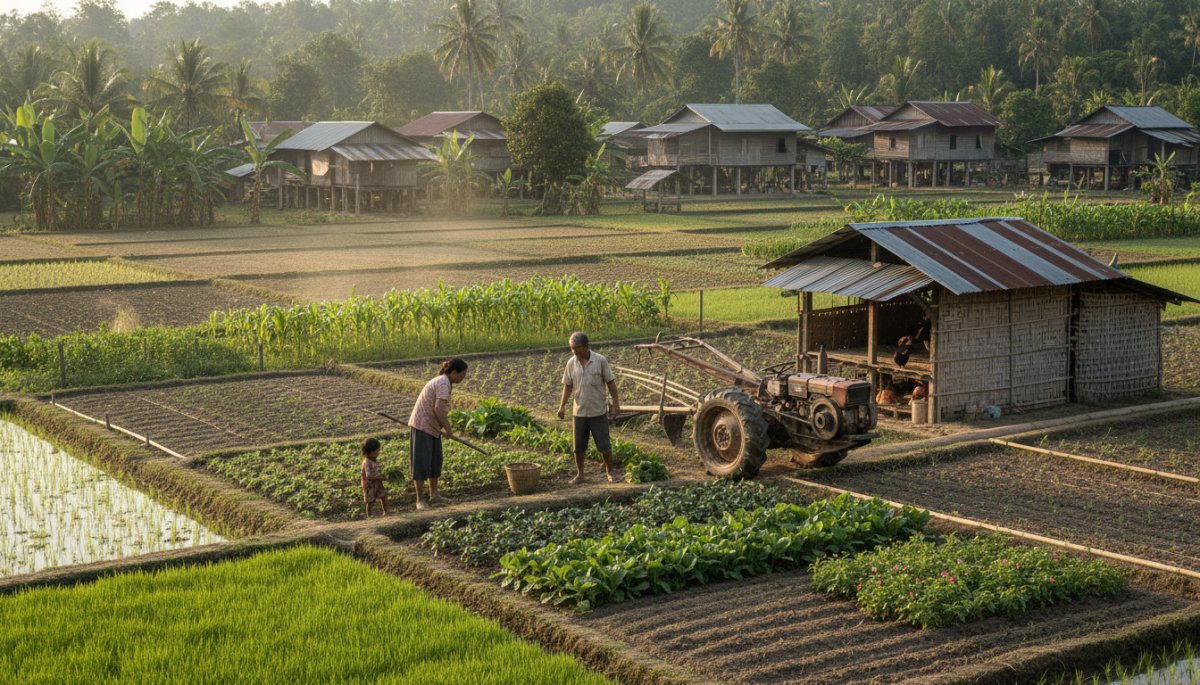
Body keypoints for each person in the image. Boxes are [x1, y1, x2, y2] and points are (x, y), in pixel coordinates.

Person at [556, 331, 620, 484]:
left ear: (585, 346)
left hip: (597, 410)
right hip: (579, 411)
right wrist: (562, 406)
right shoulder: (571, 363)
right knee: (578, 446)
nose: (573, 351)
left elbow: (611, 383)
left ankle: (609, 472)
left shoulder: (600, 361)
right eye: (571, 348)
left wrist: (616, 404)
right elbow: (568, 386)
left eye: (576, 348)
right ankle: (580, 474)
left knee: (604, 444)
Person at [408, 358, 468, 510]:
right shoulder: (442, 383)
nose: (463, 378)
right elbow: (439, 410)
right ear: (454, 372)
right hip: (423, 426)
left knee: (435, 461)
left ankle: (434, 495)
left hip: (432, 427)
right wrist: (448, 430)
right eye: (462, 374)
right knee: (421, 464)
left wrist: (444, 428)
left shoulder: (445, 382)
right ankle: (419, 500)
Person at [360, 437, 389, 518]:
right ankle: (370, 515)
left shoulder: (375, 460)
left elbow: (378, 471)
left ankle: (386, 512)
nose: (378, 452)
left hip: (377, 483)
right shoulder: (366, 462)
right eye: (377, 451)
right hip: (369, 485)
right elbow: (369, 476)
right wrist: (381, 478)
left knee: (383, 496)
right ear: (369, 452)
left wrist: (384, 475)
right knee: (370, 500)